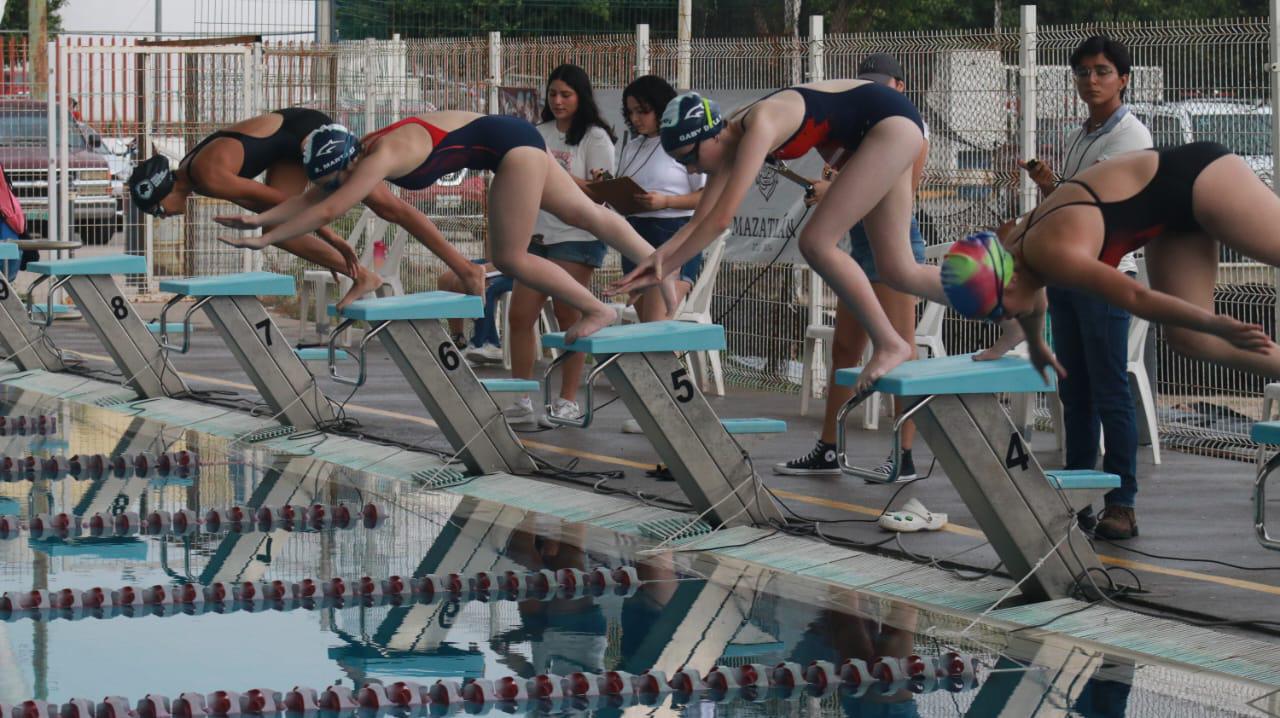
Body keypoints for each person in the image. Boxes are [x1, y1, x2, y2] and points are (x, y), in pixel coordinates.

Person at [211, 111, 672, 369]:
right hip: (512, 138)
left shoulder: (379, 157)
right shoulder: (357, 153)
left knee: (511, 257)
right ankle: (662, 266)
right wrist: (261, 221)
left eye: (337, 179)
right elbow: (312, 198)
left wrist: (264, 240)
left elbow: (328, 209)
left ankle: (597, 308)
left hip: (511, 151)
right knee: (589, 214)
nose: (336, 185)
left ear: (348, 163)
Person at [611, 79, 948, 393]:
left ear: (709, 136)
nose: (690, 171)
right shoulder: (725, 139)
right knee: (898, 269)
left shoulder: (759, 126)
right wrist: (658, 261)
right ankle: (996, 302)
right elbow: (698, 221)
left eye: (688, 159)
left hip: (888, 126)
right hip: (883, 128)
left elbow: (720, 220)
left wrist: (668, 263)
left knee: (816, 243)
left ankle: (890, 343)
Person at [945, 143, 1277, 439]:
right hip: (1171, 217)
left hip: (1201, 177)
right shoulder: (1010, 249)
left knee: (1205, 329)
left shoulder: (1055, 252)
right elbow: (1030, 306)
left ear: (1009, 281)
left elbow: (1137, 297)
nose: (1006, 318)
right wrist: (1013, 344)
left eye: (1000, 313)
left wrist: (1214, 322)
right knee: (1190, 339)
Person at [983, 36, 1152, 540]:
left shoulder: (1129, 137)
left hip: (1103, 275)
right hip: (1071, 273)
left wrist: (1030, 223)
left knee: (1109, 390)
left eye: (1102, 71)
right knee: (1074, 391)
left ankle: (1121, 503)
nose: (1091, 81)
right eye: (1082, 72)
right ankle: (1079, 498)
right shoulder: (1085, 134)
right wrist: (1045, 196)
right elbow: (1073, 200)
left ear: (1123, 78)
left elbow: (1095, 208)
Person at [129, 107, 485, 309]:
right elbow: (269, 211)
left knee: (386, 206)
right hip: (286, 149)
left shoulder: (207, 176)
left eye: (158, 211)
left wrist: (333, 237)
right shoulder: (196, 174)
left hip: (311, 135)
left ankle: (467, 269)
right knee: (274, 234)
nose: (163, 217)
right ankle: (362, 275)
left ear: (165, 191)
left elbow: (285, 204)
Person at [773, 54, 930, 495]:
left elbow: (896, 190)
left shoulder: (912, 130)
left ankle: (904, 456)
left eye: (884, 84)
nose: (877, 91)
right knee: (844, 349)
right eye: (869, 85)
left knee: (902, 354)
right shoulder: (862, 123)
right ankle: (829, 448)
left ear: (901, 86)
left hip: (892, 249)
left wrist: (834, 190)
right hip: (859, 249)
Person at [506, 64, 619, 428]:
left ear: (580, 97)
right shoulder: (536, 133)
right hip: (537, 238)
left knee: (570, 316)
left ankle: (568, 400)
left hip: (577, 237)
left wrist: (554, 177)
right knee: (520, 315)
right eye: (552, 93)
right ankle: (522, 399)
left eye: (565, 94)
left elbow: (600, 191)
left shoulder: (596, 138)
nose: (557, 100)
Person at [615, 74, 706, 434]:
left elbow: (706, 198)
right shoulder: (634, 144)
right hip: (635, 231)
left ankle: (667, 408)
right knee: (646, 322)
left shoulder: (681, 142)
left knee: (656, 322)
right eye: (631, 112)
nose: (637, 119)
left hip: (672, 231)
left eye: (644, 111)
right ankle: (659, 403)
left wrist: (665, 201)